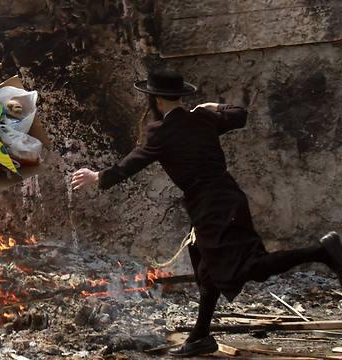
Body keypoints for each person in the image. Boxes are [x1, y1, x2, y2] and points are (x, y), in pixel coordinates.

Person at [70, 70, 342, 357]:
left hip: (216, 208)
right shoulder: (203, 118)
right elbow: (240, 115)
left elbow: (131, 163)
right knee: (206, 271)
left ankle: (322, 251)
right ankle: (200, 337)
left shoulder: (160, 132)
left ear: (156, 100)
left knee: (252, 268)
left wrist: (97, 176)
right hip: (221, 201)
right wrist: (212, 106)